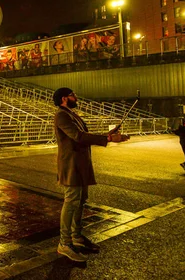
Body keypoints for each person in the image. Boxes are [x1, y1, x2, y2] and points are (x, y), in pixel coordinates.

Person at [53, 87, 129, 262]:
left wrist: (107, 135)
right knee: (71, 201)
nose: (76, 97)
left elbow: (84, 136)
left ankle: (76, 237)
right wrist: (107, 140)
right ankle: (64, 243)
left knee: (80, 200)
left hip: (80, 165)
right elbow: (78, 136)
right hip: (71, 165)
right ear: (64, 98)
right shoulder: (61, 115)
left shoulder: (71, 114)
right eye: (73, 95)